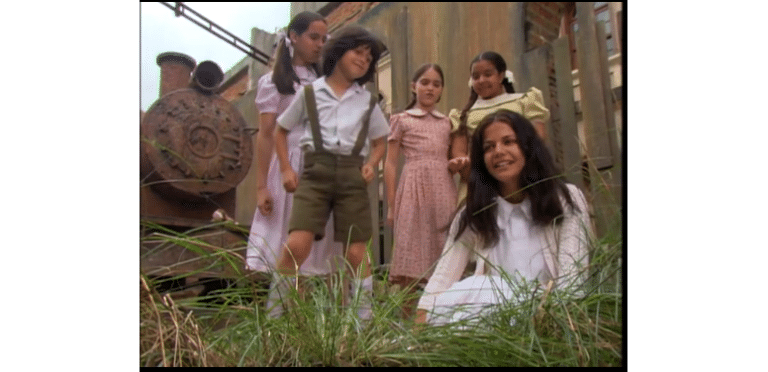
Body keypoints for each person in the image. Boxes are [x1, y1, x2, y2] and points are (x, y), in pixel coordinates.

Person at [415, 109, 592, 326]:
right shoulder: (474, 213)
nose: (498, 151)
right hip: (494, 319)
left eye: (509, 141)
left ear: (527, 147)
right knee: (473, 289)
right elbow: (442, 278)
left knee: (480, 290)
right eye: (489, 147)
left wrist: (551, 326)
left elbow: (573, 279)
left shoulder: (565, 199)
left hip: (549, 316)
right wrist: (417, 338)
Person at [273, 25, 389, 320]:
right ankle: (280, 320)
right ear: (339, 52)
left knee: (356, 252)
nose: (363, 60)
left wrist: (371, 164)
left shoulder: (367, 101)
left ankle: (363, 322)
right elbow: (280, 130)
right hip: (315, 173)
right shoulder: (311, 93)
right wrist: (286, 168)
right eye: (358, 52)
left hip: (352, 175)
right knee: (296, 246)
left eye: (369, 58)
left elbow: (379, 141)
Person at [243, 11, 345, 317]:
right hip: (288, 169)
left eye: (324, 39)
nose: (320, 44)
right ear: (294, 37)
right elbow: (265, 135)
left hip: (320, 171)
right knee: (288, 248)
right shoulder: (272, 83)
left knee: (321, 251)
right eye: (314, 37)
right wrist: (261, 186)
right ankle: (280, 325)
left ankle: (318, 325)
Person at [383, 63, 457, 319]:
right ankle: (406, 323)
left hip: (443, 190)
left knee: (443, 253)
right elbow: (390, 163)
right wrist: (392, 206)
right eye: (425, 82)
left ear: (441, 90)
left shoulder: (447, 123)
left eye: (436, 84)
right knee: (411, 255)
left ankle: (438, 318)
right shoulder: (401, 120)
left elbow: (453, 157)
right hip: (413, 190)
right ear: (414, 86)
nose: (430, 88)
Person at [447, 51, 551, 204]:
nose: (481, 80)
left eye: (488, 74)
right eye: (476, 77)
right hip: (480, 184)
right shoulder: (463, 115)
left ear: (501, 75)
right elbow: (459, 152)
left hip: (523, 180)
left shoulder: (523, 101)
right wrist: (465, 166)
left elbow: (538, 138)